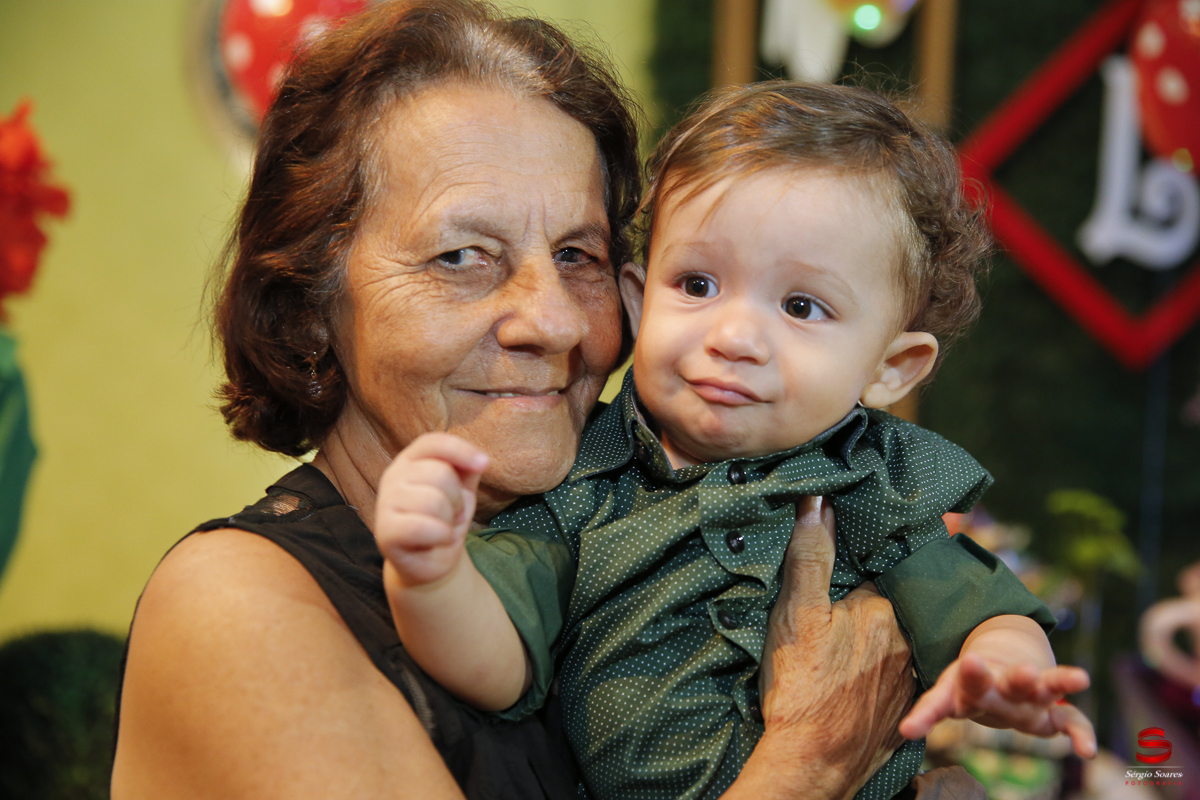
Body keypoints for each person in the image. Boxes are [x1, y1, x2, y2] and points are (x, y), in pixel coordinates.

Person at [110, 5, 922, 799]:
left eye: (578, 254)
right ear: (311, 306)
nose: (557, 321)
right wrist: (811, 762)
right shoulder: (237, 607)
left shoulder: (628, 558)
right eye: (462, 255)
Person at [376, 82, 1099, 800]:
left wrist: (1005, 668)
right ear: (637, 299)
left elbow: (983, 607)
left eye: (801, 305)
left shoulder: (872, 484)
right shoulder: (585, 478)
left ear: (889, 367)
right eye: (696, 284)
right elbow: (498, 663)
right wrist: (430, 574)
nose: (734, 338)